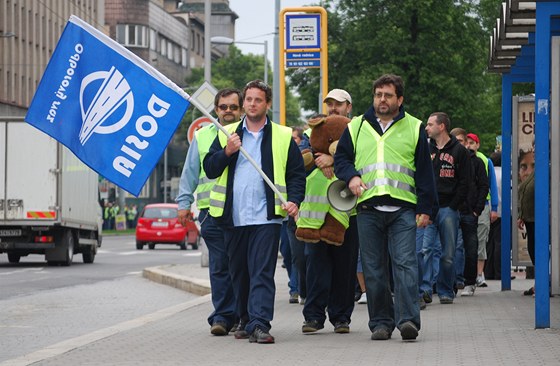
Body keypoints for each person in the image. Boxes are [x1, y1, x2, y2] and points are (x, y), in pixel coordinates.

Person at [334, 74, 436, 341]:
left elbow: (425, 173)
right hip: (368, 209)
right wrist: (352, 176)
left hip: (403, 209)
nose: (382, 99)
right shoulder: (356, 126)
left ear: (399, 99)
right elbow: (341, 159)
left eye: (388, 95)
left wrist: (426, 208)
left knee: (405, 266)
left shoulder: (414, 127)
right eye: (378, 94)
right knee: (373, 269)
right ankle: (380, 322)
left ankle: (408, 321)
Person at [203, 80, 306, 344]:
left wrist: (294, 200)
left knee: (261, 271)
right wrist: (227, 151)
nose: (251, 104)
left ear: (267, 104)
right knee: (239, 272)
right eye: (248, 99)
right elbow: (210, 168)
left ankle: (260, 323)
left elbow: (296, 174)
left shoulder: (283, 136)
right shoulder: (226, 133)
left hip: (266, 217)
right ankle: (246, 319)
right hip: (233, 217)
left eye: (257, 100)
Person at [176, 87, 243, 336]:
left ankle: (239, 315)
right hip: (209, 212)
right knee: (219, 266)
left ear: (241, 109)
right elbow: (190, 172)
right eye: (223, 107)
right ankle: (223, 317)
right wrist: (184, 204)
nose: (227, 111)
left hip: (240, 212)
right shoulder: (203, 137)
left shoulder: (250, 134)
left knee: (240, 265)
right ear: (216, 110)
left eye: (233, 107)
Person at [298, 114, 359, 335]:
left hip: (347, 216)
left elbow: (363, 159)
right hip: (315, 218)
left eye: (339, 105)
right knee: (315, 267)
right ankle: (313, 317)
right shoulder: (309, 134)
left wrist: (336, 159)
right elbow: (299, 160)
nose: (334, 109)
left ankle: (341, 317)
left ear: (348, 108)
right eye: (330, 105)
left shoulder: (358, 132)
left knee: (345, 268)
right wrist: (318, 159)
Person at [423, 113, 470, 304]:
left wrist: (454, 205)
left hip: (448, 208)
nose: (426, 128)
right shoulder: (426, 149)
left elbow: (465, 182)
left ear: (441, 126)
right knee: (425, 250)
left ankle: (445, 290)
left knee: (448, 253)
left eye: (430, 124)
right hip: (428, 208)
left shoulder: (459, 151)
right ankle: (425, 289)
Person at [449, 128, 488, 297]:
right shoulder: (448, 159)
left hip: (469, 211)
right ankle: (451, 282)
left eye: (461, 141)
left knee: (470, 248)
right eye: (455, 141)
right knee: (450, 248)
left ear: (466, 142)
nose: (458, 145)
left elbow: (483, 186)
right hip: (452, 209)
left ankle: (469, 282)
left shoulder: (477, 161)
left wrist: (477, 209)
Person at [466, 133, 499, 288]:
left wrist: (494, 208)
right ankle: (470, 274)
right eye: (467, 142)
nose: (469, 145)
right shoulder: (462, 159)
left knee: (481, 240)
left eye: (472, 142)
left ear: (477, 145)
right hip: (466, 206)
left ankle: (480, 274)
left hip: (484, 205)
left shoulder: (486, 161)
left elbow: (491, 184)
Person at [517, 149, 535, 296]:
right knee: (532, 249)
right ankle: (539, 282)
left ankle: (542, 283)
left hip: (538, 218)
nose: (528, 172)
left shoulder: (546, 167)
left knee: (537, 250)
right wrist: (521, 215)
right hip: (529, 217)